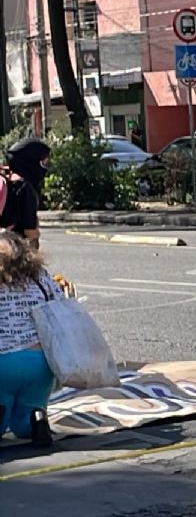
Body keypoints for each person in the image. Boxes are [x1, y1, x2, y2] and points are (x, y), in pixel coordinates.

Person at [0, 231, 61, 447]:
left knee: (3, 399)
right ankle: (36, 419)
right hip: (40, 362)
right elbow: (59, 306)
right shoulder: (40, 276)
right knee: (30, 409)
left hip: (3, 363)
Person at [0, 139, 52, 249]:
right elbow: (30, 234)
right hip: (9, 254)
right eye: (44, 163)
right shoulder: (25, 189)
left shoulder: (5, 177)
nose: (46, 168)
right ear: (31, 161)